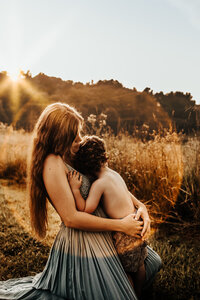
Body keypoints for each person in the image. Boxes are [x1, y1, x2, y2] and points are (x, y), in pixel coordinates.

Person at [0, 102, 162, 300]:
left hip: (107, 232)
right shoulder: (53, 163)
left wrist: (141, 207)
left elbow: (110, 182)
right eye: (73, 135)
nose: (79, 138)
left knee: (145, 266)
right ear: (58, 137)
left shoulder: (72, 153)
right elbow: (71, 218)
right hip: (83, 240)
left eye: (79, 132)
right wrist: (121, 225)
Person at [68, 135, 148, 298]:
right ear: (105, 156)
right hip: (137, 225)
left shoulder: (99, 184)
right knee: (139, 265)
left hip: (124, 234)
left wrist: (76, 189)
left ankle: (130, 294)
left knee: (123, 271)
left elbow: (86, 209)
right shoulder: (115, 174)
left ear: (86, 168)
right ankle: (140, 291)